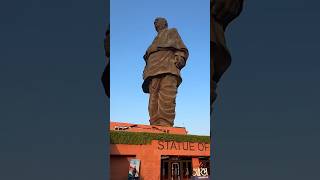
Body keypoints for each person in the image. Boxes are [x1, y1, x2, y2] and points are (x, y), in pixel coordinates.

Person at [142, 17, 189, 127]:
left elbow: (181, 48)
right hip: (153, 70)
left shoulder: (172, 32)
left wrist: (180, 57)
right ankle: (154, 124)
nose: (155, 22)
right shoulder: (154, 40)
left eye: (158, 21)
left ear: (165, 23)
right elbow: (147, 57)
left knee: (167, 96)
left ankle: (165, 125)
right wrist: (145, 69)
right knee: (153, 99)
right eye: (154, 22)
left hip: (168, 66)